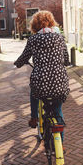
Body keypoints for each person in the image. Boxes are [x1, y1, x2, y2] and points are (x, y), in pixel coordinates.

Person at [14, 11, 70, 139]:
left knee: (34, 93)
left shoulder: (33, 39)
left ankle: (34, 118)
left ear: (34, 25)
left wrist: (17, 63)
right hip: (59, 82)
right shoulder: (60, 38)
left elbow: (24, 57)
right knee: (57, 111)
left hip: (41, 83)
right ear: (52, 23)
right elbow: (66, 59)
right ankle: (60, 143)